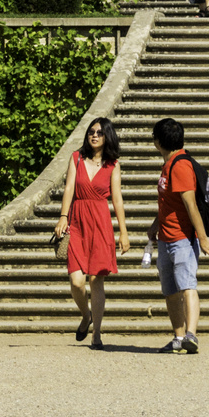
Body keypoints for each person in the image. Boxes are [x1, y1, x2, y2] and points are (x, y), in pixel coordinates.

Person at [54, 117, 129, 349]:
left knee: (97, 280)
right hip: (77, 221)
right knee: (77, 282)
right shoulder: (76, 158)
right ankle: (86, 316)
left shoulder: (113, 164)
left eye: (99, 132)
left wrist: (123, 232)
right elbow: (69, 188)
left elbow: (117, 199)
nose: (94, 135)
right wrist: (63, 216)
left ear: (107, 136)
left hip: (100, 223)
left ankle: (96, 334)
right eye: (90, 132)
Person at [148, 117, 209, 354]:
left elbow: (190, 206)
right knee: (170, 290)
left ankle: (191, 335)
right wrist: (156, 224)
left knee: (187, 285)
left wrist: (203, 237)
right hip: (166, 237)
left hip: (182, 239)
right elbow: (169, 202)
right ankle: (178, 338)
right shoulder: (168, 165)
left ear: (157, 142)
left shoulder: (180, 165)